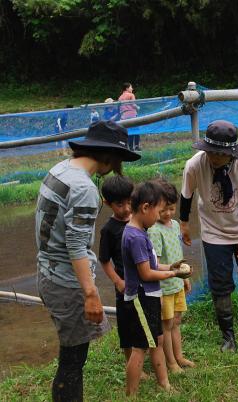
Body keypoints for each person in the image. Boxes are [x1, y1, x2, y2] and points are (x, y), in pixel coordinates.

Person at [35, 120, 140, 402]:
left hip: (47, 272)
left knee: (71, 355)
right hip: (66, 283)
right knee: (73, 361)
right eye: (118, 159)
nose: (117, 166)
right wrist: (91, 293)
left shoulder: (60, 170)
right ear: (108, 155)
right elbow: (76, 245)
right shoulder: (84, 188)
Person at [179, 119, 238, 353]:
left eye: (220, 153)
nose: (214, 158)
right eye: (211, 152)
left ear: (231, 153)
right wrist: (184, 223)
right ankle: (228, 337)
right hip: (213, 232)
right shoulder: (194, 165)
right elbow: (186, 195)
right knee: (220, 284)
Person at [121, 180, 192, 396]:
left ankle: (164, 383)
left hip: (149, 295)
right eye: (159, 211)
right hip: (142, 298)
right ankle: (131, 394)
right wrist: (173, 274)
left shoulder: (138, 232)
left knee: (157, 341)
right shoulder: (136, 237)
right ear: (145, 208)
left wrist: (171, 266)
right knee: (140, 348)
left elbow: (152, 265)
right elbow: (146, 273)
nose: (161, 215)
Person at [99, 175, 151, 377]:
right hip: (125, 287)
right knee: (127, 326)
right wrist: (117, 281)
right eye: (120, 204)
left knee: (145, 321)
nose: (127, 208)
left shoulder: (139, 221)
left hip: (144, 282)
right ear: (107, 203)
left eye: (130, 202)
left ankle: (141, 360)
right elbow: (104, 260)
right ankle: (130, 362)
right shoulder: (109, 230)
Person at [148, 179, 195, 373]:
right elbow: (155, 265)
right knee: (166, 325)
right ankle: (171, 363)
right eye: (163, 210)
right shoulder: (154, 230)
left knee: (176, 322)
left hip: (177, 283)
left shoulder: (175, 225)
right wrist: (173, 275)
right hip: (164, 287)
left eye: (172, 208)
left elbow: (177, 256)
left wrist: (184, 277)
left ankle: (179, 356)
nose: (167, 214)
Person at [118, 82, 141, 151]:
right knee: (136, 130)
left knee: (129, 131)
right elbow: (133, 104)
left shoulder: (120, 97)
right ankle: (136, 146)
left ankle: (130, 148)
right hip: (132, 115)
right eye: (131, 87)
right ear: (127, 88)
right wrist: (138, 108)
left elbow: (120, 108)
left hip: (124, 117)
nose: (132, 88)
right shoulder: (131, 95)